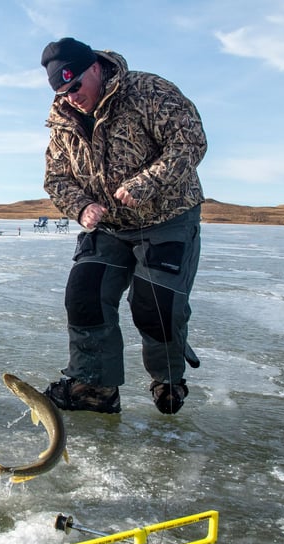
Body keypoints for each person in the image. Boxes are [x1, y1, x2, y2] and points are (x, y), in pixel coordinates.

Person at [39, 38, 206, 414]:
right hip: (109, 226)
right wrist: (81, 207)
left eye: (75, 86)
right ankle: (94, 388)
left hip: (166, 218)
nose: (70, 98)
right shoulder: (62, 121)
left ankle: (168, 380)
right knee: (84, 297)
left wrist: (145, 183)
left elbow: (190, 142)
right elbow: (56, 178)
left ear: (95, 68)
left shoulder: (149, 91)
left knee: (155, 306)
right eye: (62, 92)